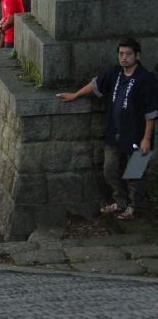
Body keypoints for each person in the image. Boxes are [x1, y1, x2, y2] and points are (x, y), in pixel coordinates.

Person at [57, 39, 158, 220]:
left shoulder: (146, 78)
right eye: (121, 54)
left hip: (138, 134)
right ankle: (120, 202)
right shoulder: (115, 73)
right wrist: (75, 95)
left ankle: (135, 207)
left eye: (128, 54)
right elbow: (95, 84)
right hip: (114, 132)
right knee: (109, 169)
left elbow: (151, 112)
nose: (124, 58)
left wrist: (147, 138)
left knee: (135, 173)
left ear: (137, 56)